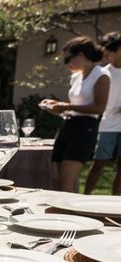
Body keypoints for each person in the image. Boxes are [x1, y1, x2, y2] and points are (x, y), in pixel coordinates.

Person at [40, 36, 110, 192]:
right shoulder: (76, 77)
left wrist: (66, 106)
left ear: (80, 55)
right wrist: (56, 108)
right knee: (58, 178)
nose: (67, 64)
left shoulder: (101, 75)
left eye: (67, 59)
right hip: (68, 125)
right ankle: (67, 211)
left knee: (67, 179)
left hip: (85, 129)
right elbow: (72, 105)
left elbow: (99, 107)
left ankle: (69, 214)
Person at [85, 32, 121, 195]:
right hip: (106, 125)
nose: (105, 56)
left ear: (119, 50)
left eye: (108, 52)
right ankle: (84, 197)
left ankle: (117, 204)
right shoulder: (105, 73)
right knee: (98, 165)